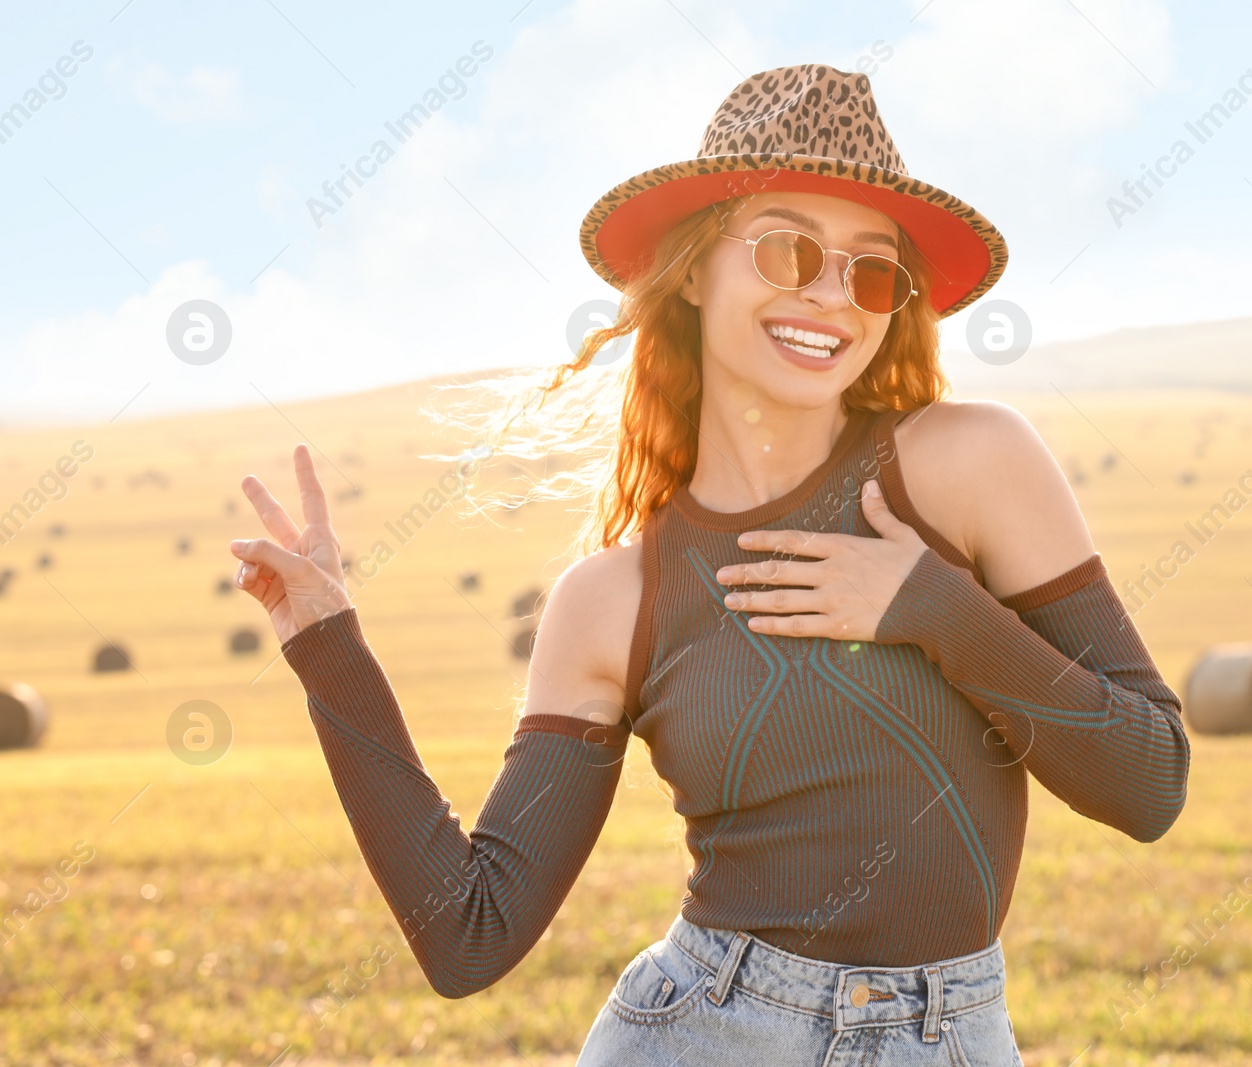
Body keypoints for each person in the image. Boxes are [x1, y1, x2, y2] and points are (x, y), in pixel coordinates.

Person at [229, 62, 1190, 1066]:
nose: (830, 295)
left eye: (869, 270)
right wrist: (325, 643)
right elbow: (469, 933)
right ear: (693, 269)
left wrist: (931, 605)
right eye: (786, 249)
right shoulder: (612, 601)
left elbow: (1149, 783)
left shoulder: (970, 464)